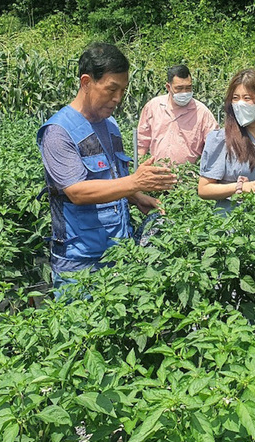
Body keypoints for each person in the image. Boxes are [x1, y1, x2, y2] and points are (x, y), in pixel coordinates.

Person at [37, 42, 177, 294]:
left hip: (120, 251)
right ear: (86, 82)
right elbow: (77, 191)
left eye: (123, 90)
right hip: (81, 262)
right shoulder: (58, 132)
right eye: (112, 89)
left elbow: (111, 177)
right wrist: (134, 183)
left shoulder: (109, 125)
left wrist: (137, 197)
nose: (118, 99)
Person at [197, 68, 255, 215]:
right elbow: (204, 189)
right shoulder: (221, 140)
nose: (240, 104)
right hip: (229, 225)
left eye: (247, 98)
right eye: (235, 98)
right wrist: (240, 187)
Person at [137, 64, 218, 167]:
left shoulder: (202, 113)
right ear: (168, 87)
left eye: (188, 88)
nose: (184, 93)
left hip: (187, 178)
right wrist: (139, 167)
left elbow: (214, 147)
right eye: (179, 88)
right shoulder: (153, 107)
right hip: (156, 175)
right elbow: (142, 142)